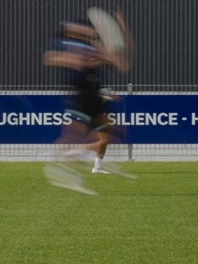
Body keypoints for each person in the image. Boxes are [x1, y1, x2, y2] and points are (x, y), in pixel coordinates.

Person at [43, 10, 134, 193]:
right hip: (81, 92)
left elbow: (122, 65)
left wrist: (123, 31)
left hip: (95, 96)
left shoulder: (94, 46)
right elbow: (51, 58)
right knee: (73, 134)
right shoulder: (63, 43)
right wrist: (78, 60)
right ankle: (62, 166)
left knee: (115, 131)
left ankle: (90, 160)